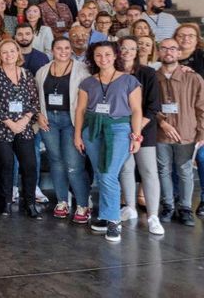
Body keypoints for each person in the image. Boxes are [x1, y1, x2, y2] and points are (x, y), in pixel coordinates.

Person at [74, 41, 143, 242]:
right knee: (101, 174)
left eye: (107, 54)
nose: (103, 58)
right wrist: (78, 134)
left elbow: (137, 110)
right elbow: (80, 110)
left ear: (115, 56)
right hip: (93, 129)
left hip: (119, 129)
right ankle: (105, 215)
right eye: (98, 55)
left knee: (108, 174)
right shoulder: (87, 82)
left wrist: (136, 135)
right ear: (93, 58)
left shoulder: (129, 81)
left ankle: (114, 221)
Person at [36, 37, 93, 222]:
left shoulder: (82, 70)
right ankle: (62, 201)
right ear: (52, 50)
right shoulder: (43, 71)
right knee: (55, 161)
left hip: (71, 121)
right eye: (59, 48)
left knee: (73, 165)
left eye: (67, 48)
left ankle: (83, 204)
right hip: (49, 120)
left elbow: (86, 101)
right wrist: (38, 114)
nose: (63, 51)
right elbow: (36, 97)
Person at [0, 40, 41, 218]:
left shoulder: (27, 74)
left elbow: (34, 102)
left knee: (30, 165)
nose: (8, 55)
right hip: (3, 128)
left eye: (12, 51)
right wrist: (10, 123)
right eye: (4, 52)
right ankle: (7, 202)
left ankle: (30, 203)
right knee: (6, 165)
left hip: (24, 127)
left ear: (18, 53)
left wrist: (24, 120)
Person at [155, 38, 204, 228]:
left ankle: (185, 208)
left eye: (173, 48)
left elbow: (201, 108)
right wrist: (162, 122)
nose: (168, 52)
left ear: (179, 53)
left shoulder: (193, 78)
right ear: (159, 52)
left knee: (185, 172)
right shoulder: (153, 77)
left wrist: (201, 133)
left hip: (186, 133)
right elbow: (147, 105)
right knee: (164, 170)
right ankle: (167, 205)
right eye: (164, 48)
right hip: (161, 134)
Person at [116, 36, 162, 229]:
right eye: (123, 48)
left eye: (132, 49)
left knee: (148, 171)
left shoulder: (148, 73)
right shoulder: (113, 73)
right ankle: (130, 207)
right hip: (120, 128)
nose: (127, 52)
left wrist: (136, 129)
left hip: (144, 129)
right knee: (126, 168)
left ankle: (153, 216)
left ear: (137, 52)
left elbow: (153, 106)